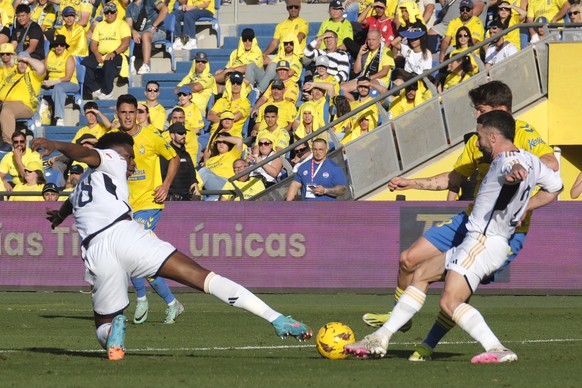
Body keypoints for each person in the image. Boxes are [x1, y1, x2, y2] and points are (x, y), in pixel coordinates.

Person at [33, 131, 312, 361]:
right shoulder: (111, 158)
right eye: (130, 156)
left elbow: (71, 202)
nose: (132, 163)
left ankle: (112, 333)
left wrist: (59, 215)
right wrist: (56, 145)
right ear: (117, 153)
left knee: (102, 324)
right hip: (127, 235)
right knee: (204, 277)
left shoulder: (84, 182)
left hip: (96, 250)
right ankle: (276, 319)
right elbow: (86, 153)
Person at [361, 81, 560, 362]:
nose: (476, 119)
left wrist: (520, 192)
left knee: (453, 295)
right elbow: (455, 178)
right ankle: (388, 329)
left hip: (493, 235)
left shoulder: (518, 140)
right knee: (412, 263)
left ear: (497, 116)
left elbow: (539, 163)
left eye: (481, 111)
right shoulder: (486, 145)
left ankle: (440, 344)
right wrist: (411, 182)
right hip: (470, 224)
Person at [113, 94, 183, 325]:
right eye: (123, 112)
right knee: (139, 259)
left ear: (138, 114)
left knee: (133, 252)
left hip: (149, 204)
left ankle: (142, 299)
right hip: (125, 206)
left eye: (132, 112)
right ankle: (172, 303)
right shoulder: (114, 141)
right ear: (117, 113)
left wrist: (165, 185)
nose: (127, 116)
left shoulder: (151, 137)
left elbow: (173, 157)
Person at [82, 2, 130, 101]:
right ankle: (95, 89)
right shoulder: (100, 25)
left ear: (116, 12)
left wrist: (114, 53)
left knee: (109, 61)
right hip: (101, 53)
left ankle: (108, 91)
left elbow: (125, 43)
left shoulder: (122, 24)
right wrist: (96, 54)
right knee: (84, 63)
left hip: (118, 54)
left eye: (111, 12)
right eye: (106, 12)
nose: (109, 14)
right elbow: (93, 43)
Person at [0, 53, 46, 151]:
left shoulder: (34, 75)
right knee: (6, 108)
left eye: (25, 62)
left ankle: (8, 142)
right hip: (3, 103)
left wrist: (25, 58)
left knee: (7, 111)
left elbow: (41, 67)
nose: (22, 64)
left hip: (24, 105)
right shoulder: (11, 74)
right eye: (20, 62)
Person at [340, 29, 395, 99]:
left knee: (366, 87)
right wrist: (359, 54)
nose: (371, 42)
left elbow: (384, 72)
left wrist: (368, 79)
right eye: (369, 39)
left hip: (379, 80)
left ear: (379, 39)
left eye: (373, 39)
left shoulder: (386, 51)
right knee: (342, 88)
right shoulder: (366, 52)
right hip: (363, 78)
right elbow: (356, 71)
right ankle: (354, 104)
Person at [41, 34, 79, 127]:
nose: (58, 47)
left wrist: (53, 82)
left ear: (65, 46)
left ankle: (59, 117)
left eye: (61, 45)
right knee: (36, 88)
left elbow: (68, 77)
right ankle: (39, 114)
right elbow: (44, 71)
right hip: (51, 82)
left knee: (58, 88)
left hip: (70, 83)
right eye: (56, 45)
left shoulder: (69, 57)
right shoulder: (50, 54)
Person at [125, 0, 168, 74]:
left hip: (157, 30)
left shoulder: (151, 1)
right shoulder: (129, 7)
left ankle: (146, 65)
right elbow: (129, 25)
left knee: (145, 35)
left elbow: (165, 9)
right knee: (125, 36)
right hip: (139, 31)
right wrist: (133, 32)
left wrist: (155, 25)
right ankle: (129, 64)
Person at [161, 122, 201, 201]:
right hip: (170, 199)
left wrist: (197, 198)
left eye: (184, 133)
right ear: (172, 135)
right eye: (180, 133)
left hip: (186, 199)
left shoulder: (186, 154)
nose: (184, 136)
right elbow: (162, 176)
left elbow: (192, 179)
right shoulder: (166, 153)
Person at [199, 132, 244, 200]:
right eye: (219, 142)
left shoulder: (232, 154)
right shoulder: (210, 160)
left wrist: (222, 138)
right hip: (214, 188)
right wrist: (205, 159)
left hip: (226, 183)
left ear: (229, 144)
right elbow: (203, 178)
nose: (221, 144)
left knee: (204, 171)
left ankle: (194, 194)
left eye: (224, 142)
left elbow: (239, 141)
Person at [207, 71, 251, 137]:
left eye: (238, 83)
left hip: (231, 135)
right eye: (233, 83)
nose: (235, 85)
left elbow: (235, 117)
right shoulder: (221, 100)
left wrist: (220, 114)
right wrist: (227, 119)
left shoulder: (245, 102)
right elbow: (210, 116)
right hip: (213, 133)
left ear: (242, 86)